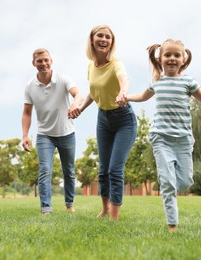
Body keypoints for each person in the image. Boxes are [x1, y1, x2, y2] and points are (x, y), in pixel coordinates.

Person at [125, 39, 201, 232]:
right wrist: (126, 97)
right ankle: (172, 225)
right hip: (161, 138)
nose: (172, 58)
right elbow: (142, 96)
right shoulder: (157, 82)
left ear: (183, 58)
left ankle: (166, 184)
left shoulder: (188, 82)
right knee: (169, 183)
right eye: (168, 55)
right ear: (160, 59)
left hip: (183, 141)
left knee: (186, 182)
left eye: (176, 55)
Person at [71, 25, 137, 221]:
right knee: (103, 171)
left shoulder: (116, 63)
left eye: (108, 37)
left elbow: (123, 78)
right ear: (92, 39)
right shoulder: (91, 66)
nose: (104, 39)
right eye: (100, 35)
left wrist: (123, 91)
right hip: (103, 119)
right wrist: (81, 109)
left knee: (115, 169)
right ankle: (105, 208)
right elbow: (94, 91)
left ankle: (114, 217)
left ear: (111, 42)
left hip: (124, 118)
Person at [22, 48, 83, 214]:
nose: (43, 64)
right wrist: (25, 135)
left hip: (66, 132)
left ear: (51, 61)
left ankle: (69, 204)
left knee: (69, 171)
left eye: (46, 60)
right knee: (45, 171)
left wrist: (74, 104)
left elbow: (78, 94)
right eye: (39, 61)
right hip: (44, 135)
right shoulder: (30, 86)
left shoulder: (62, 79)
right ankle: (46, 209)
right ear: (34, 63)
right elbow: (27, 112)